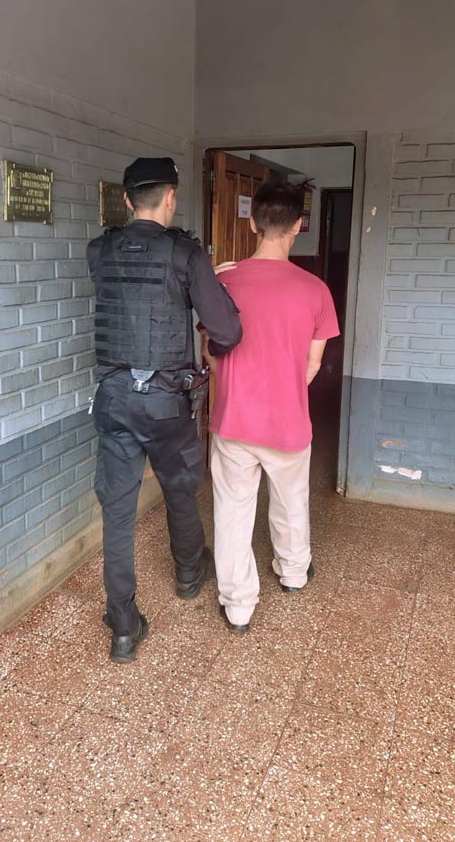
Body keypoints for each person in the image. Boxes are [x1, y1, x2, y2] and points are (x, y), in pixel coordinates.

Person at [87, 157, 242, 663]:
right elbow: (228, 331)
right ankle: (189, 573)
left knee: (117, 512)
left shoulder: (99, 250)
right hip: (167, 401)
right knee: (179, 487)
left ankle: (123, 623)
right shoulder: (186, 254)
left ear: (127, 200)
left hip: (114, 398)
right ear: (171, 197)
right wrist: (210, 287)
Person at [203, 179, 339, 634]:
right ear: (298, 225)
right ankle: (293, 572)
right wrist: (282, 390)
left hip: (233, 420)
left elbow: (210, 354)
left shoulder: (223, 282)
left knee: (232, 511)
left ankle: (238, 606)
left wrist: (236, 383)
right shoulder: (316, 290)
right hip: (288, 422)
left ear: (252, 222)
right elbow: (312, 364)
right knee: (291, 501)